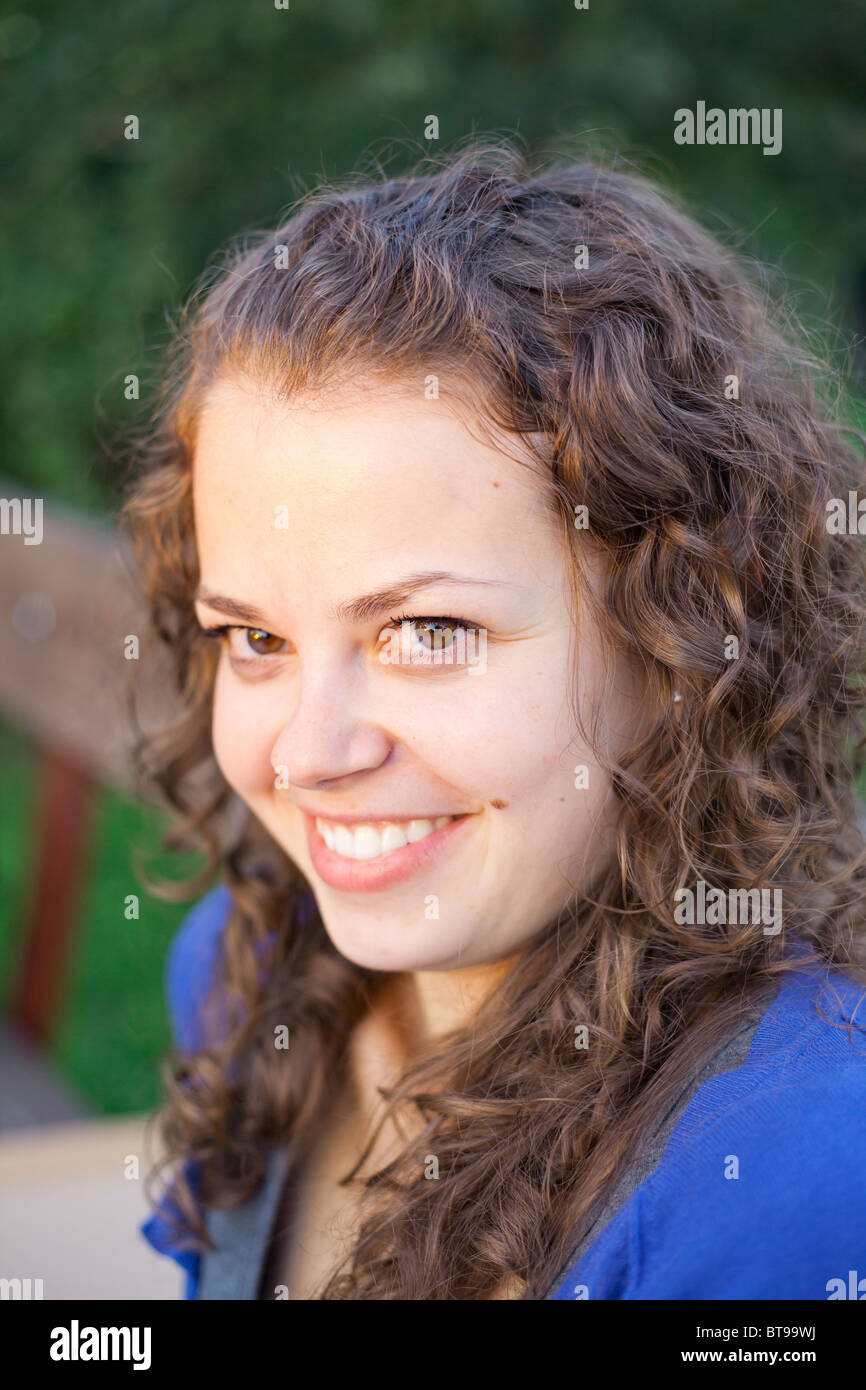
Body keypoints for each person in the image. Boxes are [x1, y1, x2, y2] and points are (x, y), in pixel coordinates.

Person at [126, 137, 866, 1300]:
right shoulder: (239, 972)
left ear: (676, 637)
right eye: (256, 639)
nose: (311, 754)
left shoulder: (793, 1172)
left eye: (426, 633)